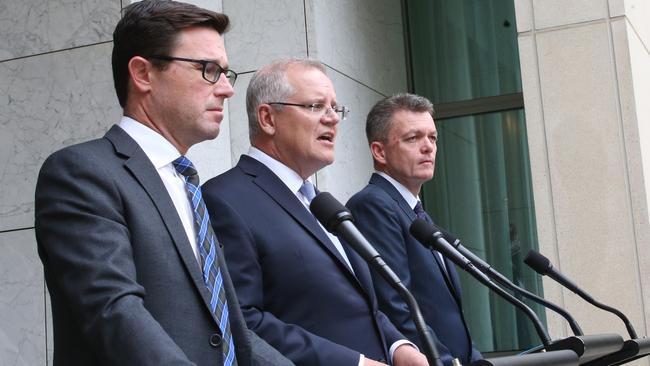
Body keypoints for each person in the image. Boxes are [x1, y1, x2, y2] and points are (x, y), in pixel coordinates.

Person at [34, 1, 292, 365]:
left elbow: (231, 329)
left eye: (225, 73)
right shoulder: (81, 173)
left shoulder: (189, 187)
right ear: (143, 73)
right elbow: (115, 311)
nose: (226, 89)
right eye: (208, 70)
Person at [202, 59, 428, 366]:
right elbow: (242, 321)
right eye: (315, 106)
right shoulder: (225, 199)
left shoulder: (321, 203)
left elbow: (359, 305)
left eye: (336, 108)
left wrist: (398, 346)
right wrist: (354, 363)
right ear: (268, 118)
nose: (332, 119)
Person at [346, 93, 482, 365]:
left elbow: (446, 312)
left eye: (432, 138)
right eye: (413, 138)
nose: (428, 147)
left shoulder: (415, 211)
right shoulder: (374, 205)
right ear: (379, 151)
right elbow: (397, 306)